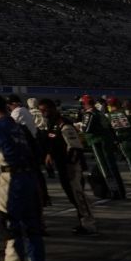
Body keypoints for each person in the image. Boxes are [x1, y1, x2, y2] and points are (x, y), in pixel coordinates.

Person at [0, 95, 46, 261]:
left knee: (8, 218)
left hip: (11, 177)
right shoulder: (19, 127)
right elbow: (35, 151)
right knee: (31, 220)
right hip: (28, 175)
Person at [36, 98, 96, 235]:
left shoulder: (64, 124)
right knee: (72, 196)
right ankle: (83, 222)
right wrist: (50, 154)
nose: (43, 113)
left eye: (45, 109)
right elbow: (54, 142)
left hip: (72, 166)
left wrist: (71, 167)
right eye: (41, 110)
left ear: (53, 108)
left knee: (78, 196)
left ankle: (89, 224)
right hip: (62, 165)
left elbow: (75, 148)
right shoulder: (51, 124)